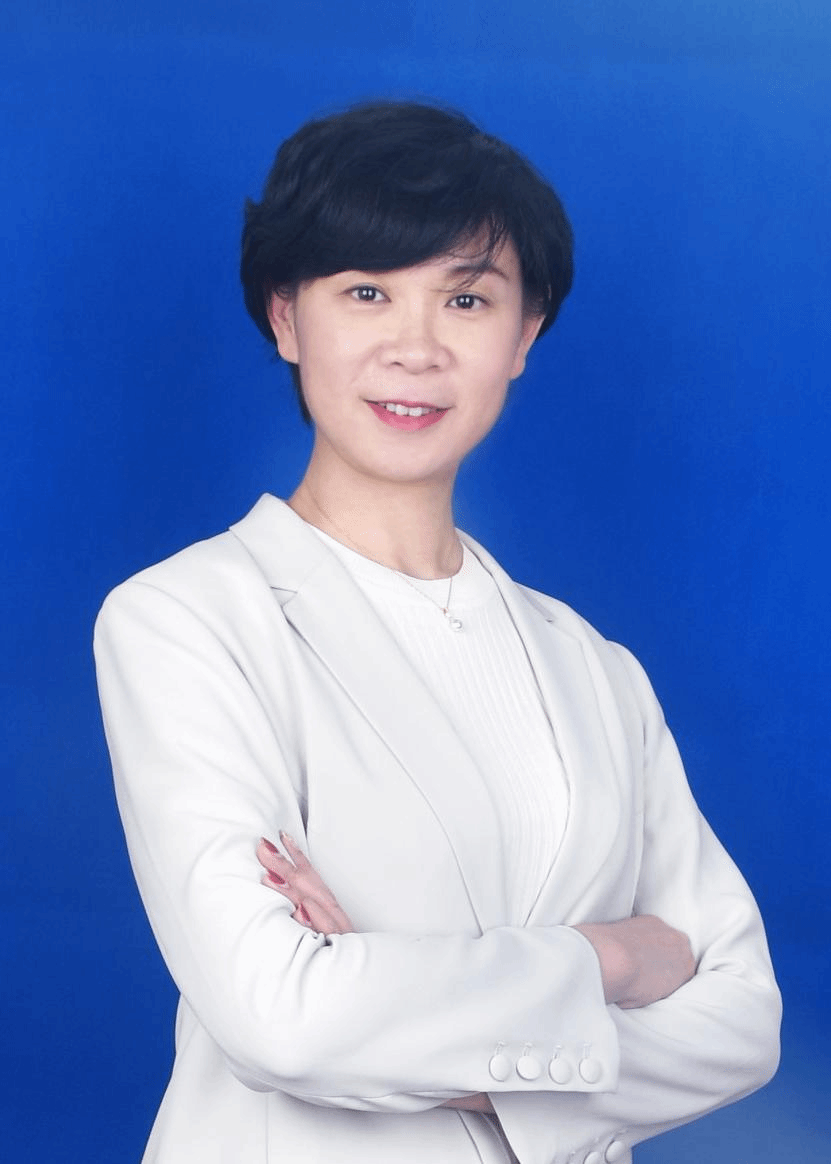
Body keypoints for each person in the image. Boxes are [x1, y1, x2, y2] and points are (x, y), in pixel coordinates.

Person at [94, 101, 781, 1164]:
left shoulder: (593, 667)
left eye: (466, 299)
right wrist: (609, 961)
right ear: (286, 319)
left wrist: (396, 1003)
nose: (415, 348)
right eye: (366, 291)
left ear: (524, 337)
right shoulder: (186, 621)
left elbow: (741, 1025)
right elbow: (283, 1018)